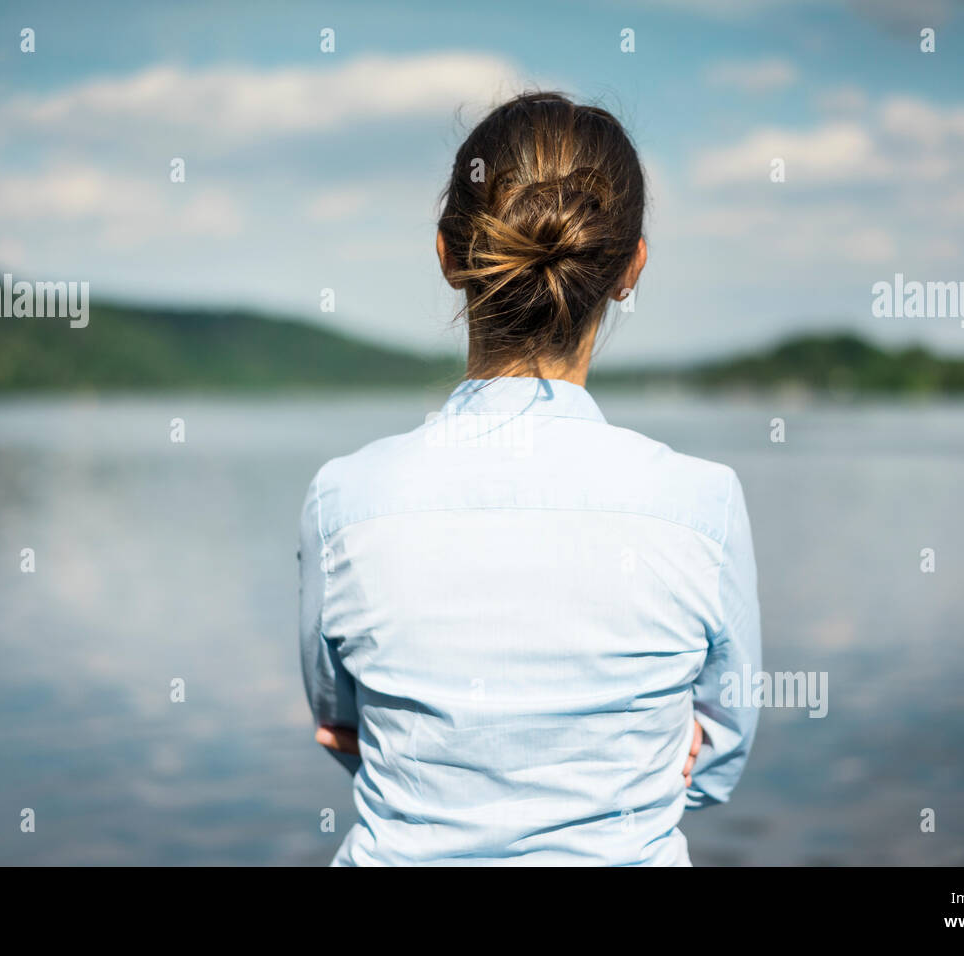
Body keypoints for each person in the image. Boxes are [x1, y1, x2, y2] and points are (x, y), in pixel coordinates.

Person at [299, 91, 761, 865]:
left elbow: (340, 724)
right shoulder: (702, 506)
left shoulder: (344, 500)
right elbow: (717, 758)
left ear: (448, 255)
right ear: (630, 269)